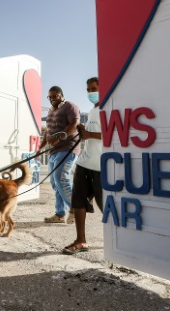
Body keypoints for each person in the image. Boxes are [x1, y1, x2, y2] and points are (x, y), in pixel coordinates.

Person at [63, 77, 103, 254]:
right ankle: (81, 241)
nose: (90, 93)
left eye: (94, 89)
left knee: (106, 205)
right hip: (84, 162)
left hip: (101, 165)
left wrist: (89, 134)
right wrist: (83, 130)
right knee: (78, 200)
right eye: (88, 90)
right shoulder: (93, 109)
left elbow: (115, 135)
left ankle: (119, 245)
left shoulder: (109, 108)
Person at [40, 86, 81, 224]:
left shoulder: (70, 106)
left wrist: (58, 138)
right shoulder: (51, 111)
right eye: (50, 97)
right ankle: (60, 214)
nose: (52, 99)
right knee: (55, 183)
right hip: (53, 151)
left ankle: (76, 209)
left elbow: (74, 124)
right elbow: (48, 132)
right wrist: (40, 148)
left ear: (61, 95)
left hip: (68, 148)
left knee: (60, 178)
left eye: (55, 96)